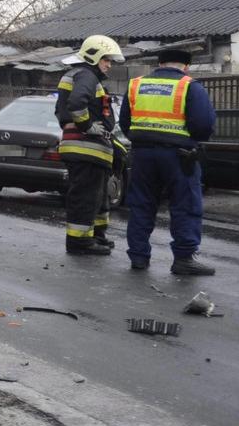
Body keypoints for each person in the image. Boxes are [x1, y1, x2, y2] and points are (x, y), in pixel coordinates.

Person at [122, 47, 217, 275]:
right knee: (185, 204)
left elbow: (125, 122)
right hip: (179, 156)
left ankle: (138, 257)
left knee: (141, 204)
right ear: (186, 66)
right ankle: (184, 258)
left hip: (143, 154)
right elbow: (203, 125)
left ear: (160, 63)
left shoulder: (136, 85)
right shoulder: (189, 86)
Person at [54, 35, 125, 255]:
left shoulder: (83, 76)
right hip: (85, 148)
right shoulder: (86, 75)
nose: (109, 65)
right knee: (85, 197)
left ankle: (96, 236)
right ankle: (79, 243)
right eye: (106, 60)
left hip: (91, 150)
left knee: (98, 196)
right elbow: (76, 104)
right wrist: (86, 126)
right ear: (93, 57)